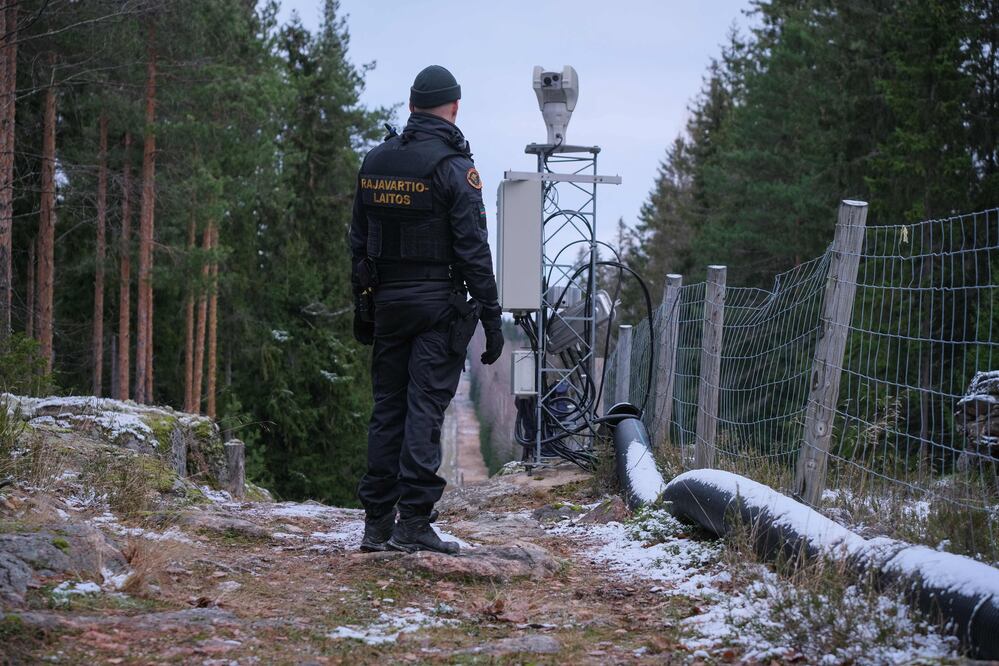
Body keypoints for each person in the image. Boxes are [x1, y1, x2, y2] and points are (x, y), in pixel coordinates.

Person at [349, 65, 504, 555]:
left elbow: (358, 241)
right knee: (424, 410)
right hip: (437, 308)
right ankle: (412, 523)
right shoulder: (454, 168)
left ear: (412, 105)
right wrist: (491, 316)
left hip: (388, 304)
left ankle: (376, 524)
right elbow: (473, 250)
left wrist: (364, 305)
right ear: (454, 108)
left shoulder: (375, 161)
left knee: (388, 408)